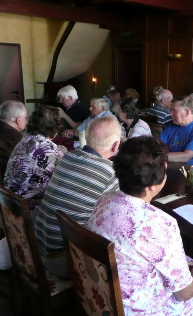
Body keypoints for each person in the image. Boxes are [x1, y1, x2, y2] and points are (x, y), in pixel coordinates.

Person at [87, 136, 193, 315]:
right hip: (142, 309)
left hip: (105, 298)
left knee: (188, 262)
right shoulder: (159, 223)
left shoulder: (104, 200)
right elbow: (185, 294)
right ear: (152, 187)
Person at [35, 116, 121, 277]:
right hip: (64, 259)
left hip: (39, 245)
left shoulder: (68, 156)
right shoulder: (110, 172)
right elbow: (116, 218)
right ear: (116, 146)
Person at [4, 106, 66, 210]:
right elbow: (64, 177)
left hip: (9, 200)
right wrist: (63, 152)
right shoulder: (53, 150)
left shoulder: (24, 140)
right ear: (55, 128)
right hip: (28, 208)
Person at [159, 96, 193, 166]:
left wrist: (158, 157)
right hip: (170, 167)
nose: (171, 114)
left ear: (186, 112)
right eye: (171, 110)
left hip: (192, 173)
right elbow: (159, 147)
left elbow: (186, 156)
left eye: (174, 110)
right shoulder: (170, 127)